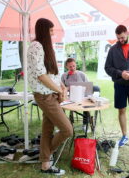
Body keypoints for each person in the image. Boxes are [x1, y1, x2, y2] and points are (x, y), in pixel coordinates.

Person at [27, 18, 73, 175]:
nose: (53, 33)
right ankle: (45, 155)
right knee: (67, 129)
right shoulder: (36, 46)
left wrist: (62, 86)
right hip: (45, 95)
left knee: (47, 129)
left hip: (50, 94)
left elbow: (51, 74)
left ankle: (45, 163)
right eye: (51, 30)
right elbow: (41, 75)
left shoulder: (44, 46)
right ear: (44, 30)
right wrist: (59, 91)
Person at [105, 25, 129, 147]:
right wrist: (120, 74)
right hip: (119, 85)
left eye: (122, 37)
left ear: (127, 33)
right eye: (118, 38)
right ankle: (124, 136)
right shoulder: (113, 49)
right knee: (121, 110)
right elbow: (107, 68)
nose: (120, 40)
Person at [61, 58, 89, 132]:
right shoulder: (64, 76)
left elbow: (88, 87)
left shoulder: (82, 75)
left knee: (86, 107)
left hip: (82, 97)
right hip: (69, 98)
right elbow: (62, 88)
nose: (72, 68)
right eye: (70, 67)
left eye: (74, 66)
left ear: (76, 65)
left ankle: (85, 124)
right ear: (67, 67)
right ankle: (64, 125)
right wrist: (67, 89)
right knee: (61, 107)